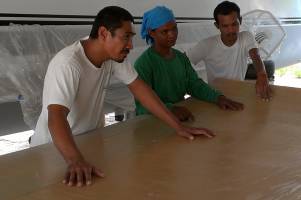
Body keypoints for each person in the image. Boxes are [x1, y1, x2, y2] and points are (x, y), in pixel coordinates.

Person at [30, 6, 216, 188]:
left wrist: (178, 127)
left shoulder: (113, 56)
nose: (130, 45)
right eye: (126, 37)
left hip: (89, 144)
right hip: (56, 151)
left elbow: (141, 90)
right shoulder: (68, 64)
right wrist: (75, 160)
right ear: (104, 34)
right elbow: (56, 116)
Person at [134, 6, 243, 121]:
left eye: (174, 28)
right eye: (165, 31)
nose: (172, 34)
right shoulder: (144, 64)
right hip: (150, 123)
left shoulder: (180, 58)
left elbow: (194, 85)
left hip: (179, 118)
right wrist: (171, 109)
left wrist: (218, 98)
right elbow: (143, 106)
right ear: (152, 33)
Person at [186, 1, 272, 101]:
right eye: (225, 26)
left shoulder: (246, 37)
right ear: (217, 26)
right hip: (215, 98)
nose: (231, 30)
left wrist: (262, 74)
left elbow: (255, 55)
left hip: (239, 96)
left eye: (234, 24)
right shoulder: (206, 45)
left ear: (240, 20)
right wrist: (194, 83)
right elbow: (182, 61)